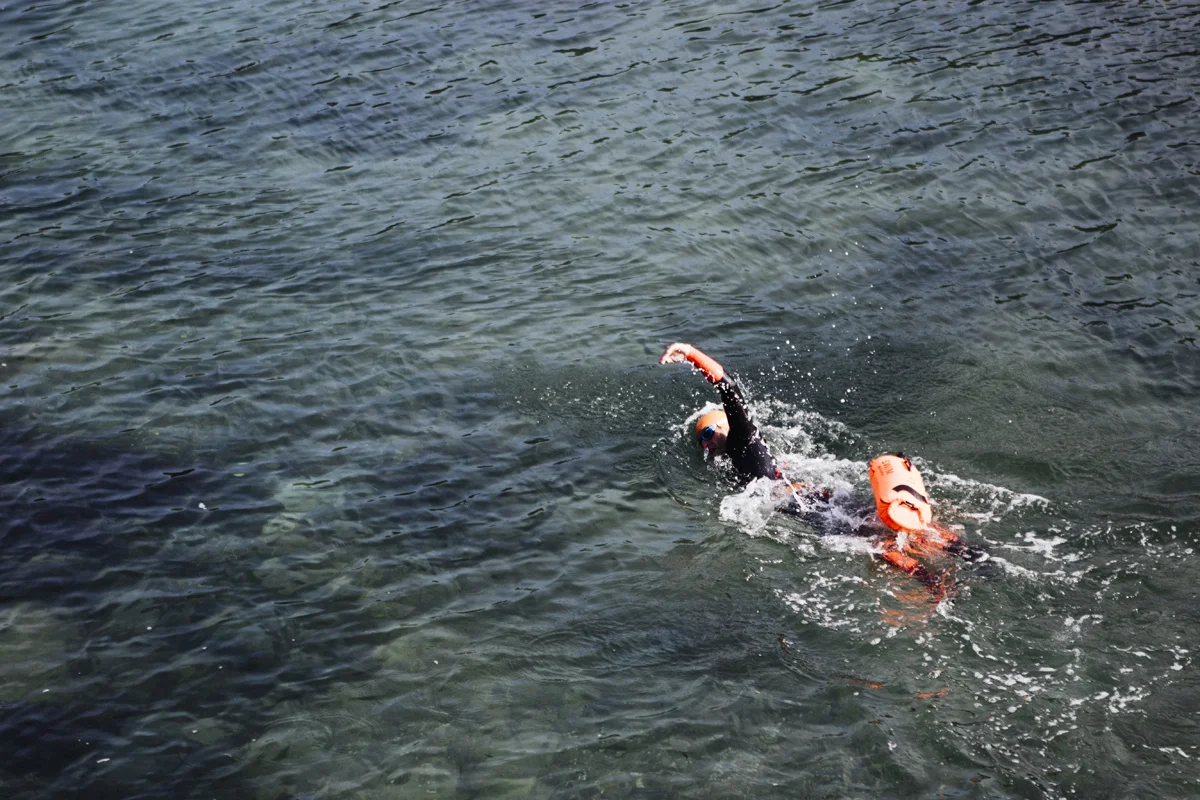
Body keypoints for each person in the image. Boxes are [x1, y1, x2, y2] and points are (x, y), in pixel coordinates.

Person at [659, 342, 986, 586]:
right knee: (876, 519)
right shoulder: (742, 454)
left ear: (723, 429)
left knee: (870, 541)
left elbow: (728, 388)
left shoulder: (742, 441)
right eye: (703, 437)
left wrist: (690, 352)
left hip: (802, 505)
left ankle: (929, 579)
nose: (705, 442)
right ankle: (967, 552)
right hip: (815, 494)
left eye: (707, 432)